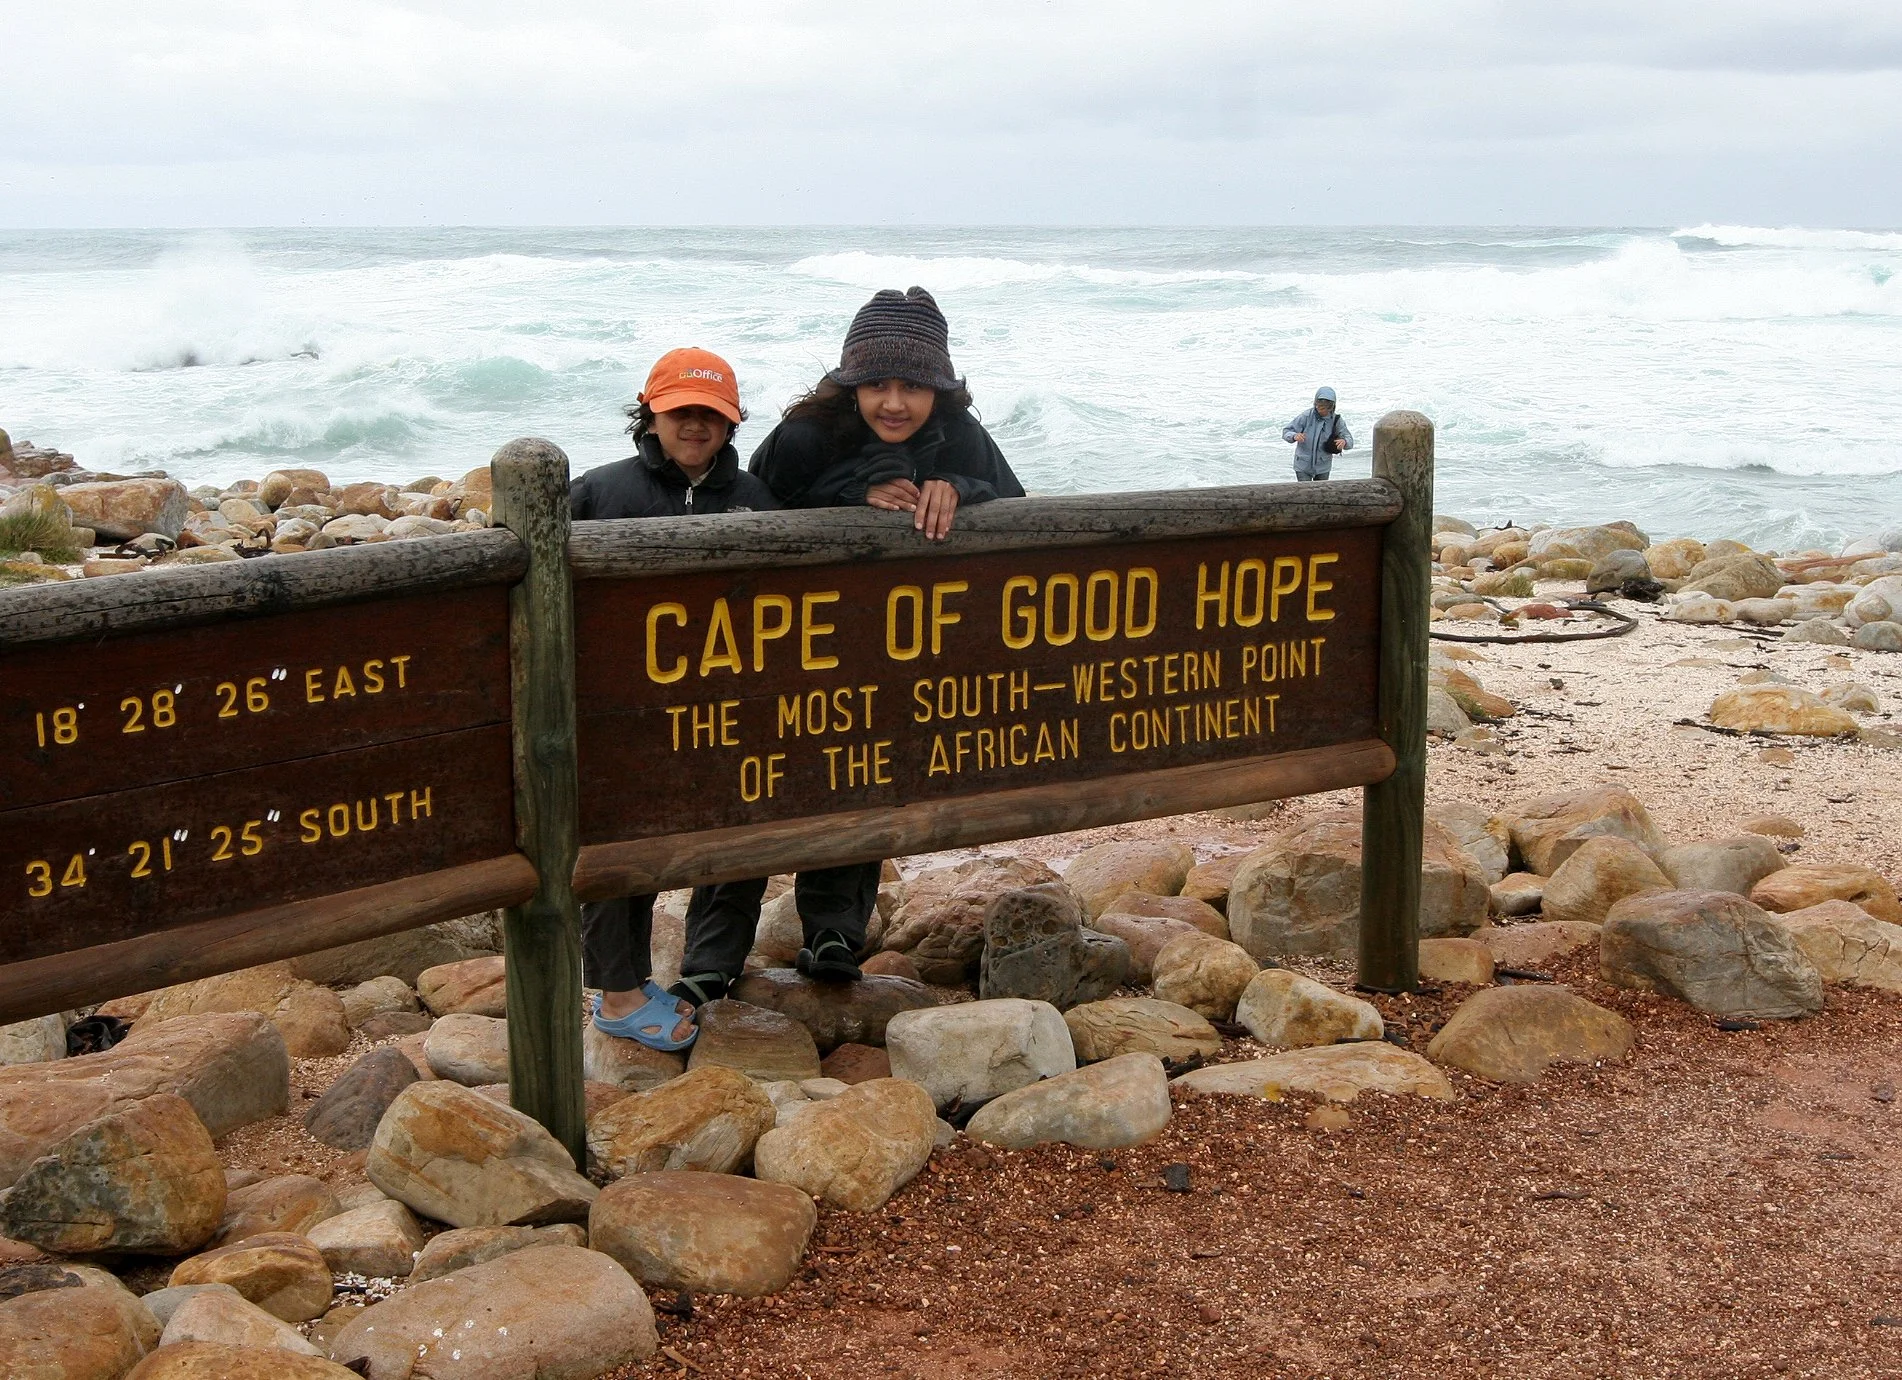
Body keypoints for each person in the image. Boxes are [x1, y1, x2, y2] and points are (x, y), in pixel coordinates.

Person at [679, 286, 1026, 989]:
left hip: (876, 646)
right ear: (850, 383)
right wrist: (847, 496)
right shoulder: (807, 434)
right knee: (751, 787)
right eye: (877, 385)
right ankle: (710, 961)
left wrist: (959, 488)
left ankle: (834, 934)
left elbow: (1018, 506)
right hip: (780, 643)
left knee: (860, 772)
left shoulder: (959, 433)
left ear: (939, 389)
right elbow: (746, 508)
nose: (894, 403)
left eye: (913, 387)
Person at [569, 346, 777, 1049]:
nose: (694, 426)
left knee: (742, 824)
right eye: (680, 411)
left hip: (726, 703)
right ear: (649, 414)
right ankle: (619, 992)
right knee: (621, 843)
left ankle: (710, 969)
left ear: (732, 422)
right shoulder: (599, 491)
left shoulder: (757, 498)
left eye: (710, 414)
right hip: (621, 709)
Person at [1283, 386, 1354, 482]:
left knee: (1322, 490)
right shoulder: (1306, 416)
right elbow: (1286, 431)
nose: (1319, 410)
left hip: (1323, 465)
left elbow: (1349, 439)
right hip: (1303, 464)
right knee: (1305, 490)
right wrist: (1294, 436)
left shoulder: (1336, 420)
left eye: (1323, 408)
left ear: (1331, 407)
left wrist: (1344, 442)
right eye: (1317, 406)